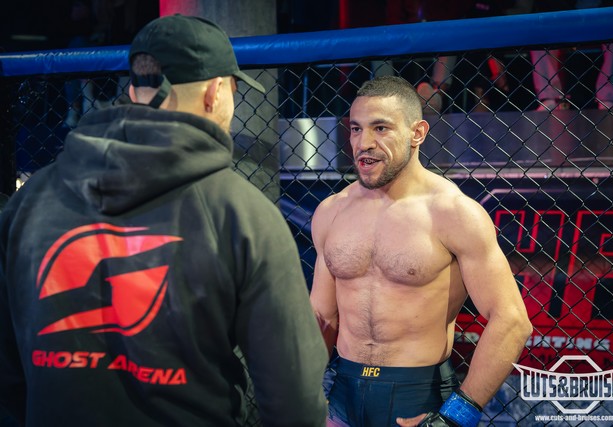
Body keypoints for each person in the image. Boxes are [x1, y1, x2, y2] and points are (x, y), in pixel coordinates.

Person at [0, 14, 328, 427]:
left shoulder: (29, 201)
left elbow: (7, 376)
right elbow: (294, 399)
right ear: (215, 92)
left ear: (134, 89)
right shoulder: (243, 215)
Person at [310, 75, 532, 427]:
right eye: (356, 129)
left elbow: (512, 320)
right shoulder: (331, 212)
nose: (364, 143)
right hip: (342, 391)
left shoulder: (453, 213)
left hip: (420, 396)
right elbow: (322, 316)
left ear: (417, 133)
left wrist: (456, 417)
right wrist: (303, 391)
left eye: (381, 128)